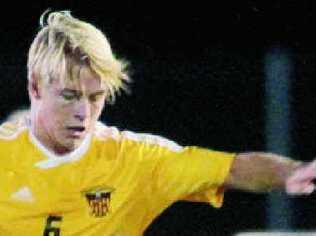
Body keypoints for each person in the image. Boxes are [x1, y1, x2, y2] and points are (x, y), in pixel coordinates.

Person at [1, 10, 316, 236]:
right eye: (69, 96)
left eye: (95, 97)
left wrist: (291, 172)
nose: (84, 111)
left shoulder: (136, 160)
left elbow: (231, 168)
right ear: (35, 88)